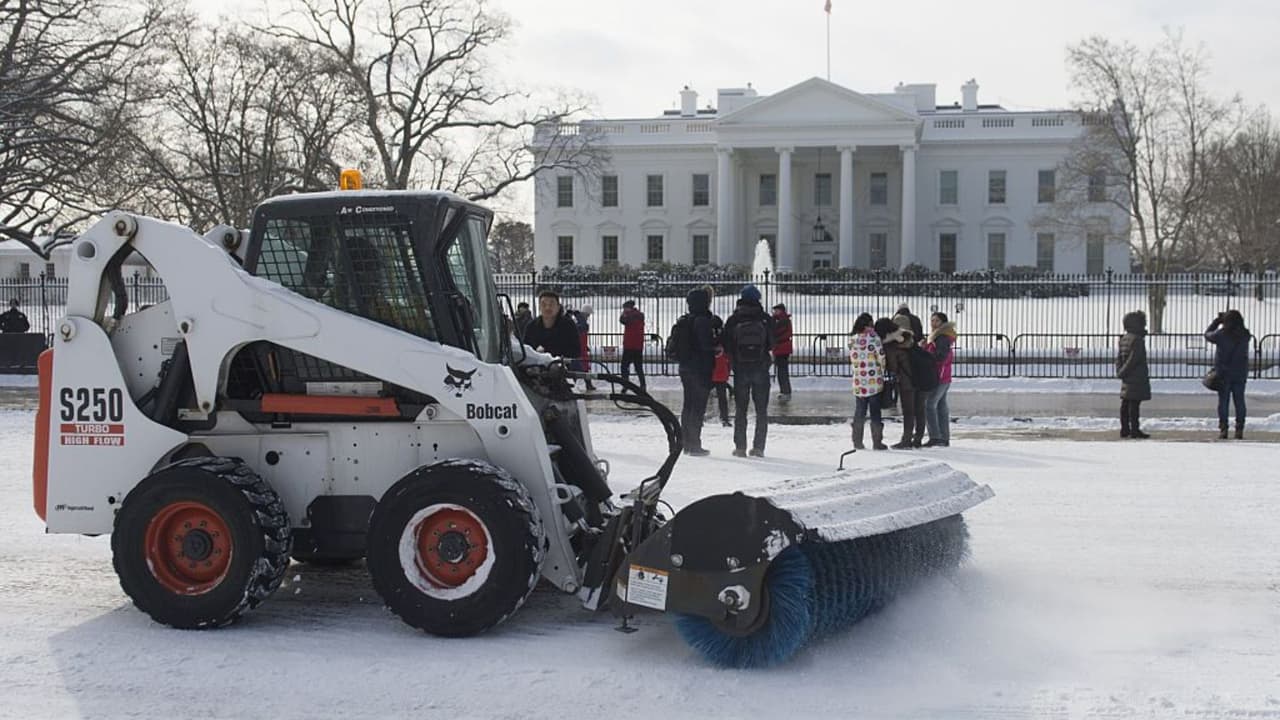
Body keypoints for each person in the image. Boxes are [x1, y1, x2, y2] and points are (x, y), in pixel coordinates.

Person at [723, 284, 773, 457]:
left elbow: (726, 343)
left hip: (741, 368)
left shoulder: (734, 319)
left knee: (741, 409)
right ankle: (759, 447)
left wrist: (735, 358)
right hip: (760, 367)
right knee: (761, 411)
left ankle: (740, 447)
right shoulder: (765, 318)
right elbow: (773, 343)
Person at [675, 288, 720, 456]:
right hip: (700, 368)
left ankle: (685, 442)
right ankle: (694, 443)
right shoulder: (702, 321)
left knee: (688, 406)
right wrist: (715, 346)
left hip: (685, 367)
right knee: (698, 408)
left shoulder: (685, 320)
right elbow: (705, 345)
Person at [1205, 309, 1251, 439]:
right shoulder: (1245, 335)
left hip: (1224, 374)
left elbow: (1207, 334)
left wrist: (1217, 321)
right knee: (1240, 401)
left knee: (1223, 402)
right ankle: (1239, 428)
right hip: (1240, 373)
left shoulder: (1221, 335)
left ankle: (1223, 429)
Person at [879, 316, 924, 449]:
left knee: (908, 411)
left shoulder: (891, 345)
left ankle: (906, 440)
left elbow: (893, 367)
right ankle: (918, 439)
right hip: (920, 378)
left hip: (906, 381)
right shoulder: (907, 337)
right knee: (920, 410)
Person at [848, 312, 887, 450]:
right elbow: (882, 359)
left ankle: (857, 441)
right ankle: (877, 442)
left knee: (859, 412)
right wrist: (882, 371)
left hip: (859, 382)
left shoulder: (852, 340)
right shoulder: (874, 339)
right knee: (875, 413)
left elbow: (853, 359)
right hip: (874, 381)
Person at [1115, 310, 1151, 439]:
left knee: (1126, 403)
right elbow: (1134, 359)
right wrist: (1125, 370)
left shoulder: (1124, 338)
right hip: (1136, 376)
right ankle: (1134, 430)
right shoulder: (1137, 340)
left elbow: (1120, 357)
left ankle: (1125, 429)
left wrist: (1120, 371)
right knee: (1134, 405)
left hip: (1127, 376)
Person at [923, 312, 956, 447]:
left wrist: (925, 353)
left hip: (939, 376)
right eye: (932, 320)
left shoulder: (941, 337)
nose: (933, 323)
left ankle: (935, 436)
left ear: (942, 323)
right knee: (941, 406)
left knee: (929, 405)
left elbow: (940, 356)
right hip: (944, 376)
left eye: (936, 321)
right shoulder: (939, 336)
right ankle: (944, 437)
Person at [522, 290, 581, 363]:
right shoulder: (531, 326)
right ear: (539, 307)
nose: (547, 308)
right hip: (536, 368)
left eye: (551, 304)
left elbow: (576, 351)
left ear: (558, 307)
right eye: (544, 304)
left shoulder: (568, 325)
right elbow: (526, 351)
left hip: (563, 367)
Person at [619, 300, 647, 391]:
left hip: (629, 345)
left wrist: (624, 314)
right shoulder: (639, 315)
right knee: (638, 366)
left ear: (628, 308)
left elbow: (622, 320)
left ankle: (625, 384)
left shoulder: (629, 316)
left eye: (624, 308)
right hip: (638, 346)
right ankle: (643, 385)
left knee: (624, 366)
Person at [771, 303, 793, 400]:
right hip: (779, 348)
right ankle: (784, 391)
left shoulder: (783, 320)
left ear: (781, 310)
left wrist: (775, 339)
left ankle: (786, 391)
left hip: (782, 348)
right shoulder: (776, 320)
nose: (775, 312)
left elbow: (786, 333)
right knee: (781, 371)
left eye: (776, 310)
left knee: (782, 372)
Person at [572, 304, 596, 391]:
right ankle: (586, 385)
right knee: (580, 368)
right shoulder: (581, 322)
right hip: (580, 349)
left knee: (581, 368)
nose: (588, 317)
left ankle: (587, 384)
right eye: (588, 315)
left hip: (581, 348)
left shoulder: (578, 321)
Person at [711, 345, 732, 427]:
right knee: (722, 399)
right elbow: (729, 363)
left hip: (710, 375)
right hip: (722, 376)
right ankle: (724, 418)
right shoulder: (725, 351)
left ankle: (699, 417)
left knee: (702, 398)